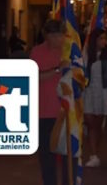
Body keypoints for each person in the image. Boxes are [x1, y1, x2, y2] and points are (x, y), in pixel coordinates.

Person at [30, 20, 71, 185]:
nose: (58, 39)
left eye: (60, 35)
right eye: (53, 35)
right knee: (47, 155)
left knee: (69, 155)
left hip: (67, 111)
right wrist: (58, 69)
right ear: (46, 36)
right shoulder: (37, 52)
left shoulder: (69, 51)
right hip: (44, 111)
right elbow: (34, 76)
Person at [83, 28, 107, 168]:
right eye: (101, 38)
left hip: (103, 91)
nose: (104, 41)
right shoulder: (86, 56)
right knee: (90, 122)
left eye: (105, 39)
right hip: (88, 91)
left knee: (98, 124)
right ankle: (93, 153)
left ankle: (95, 152)